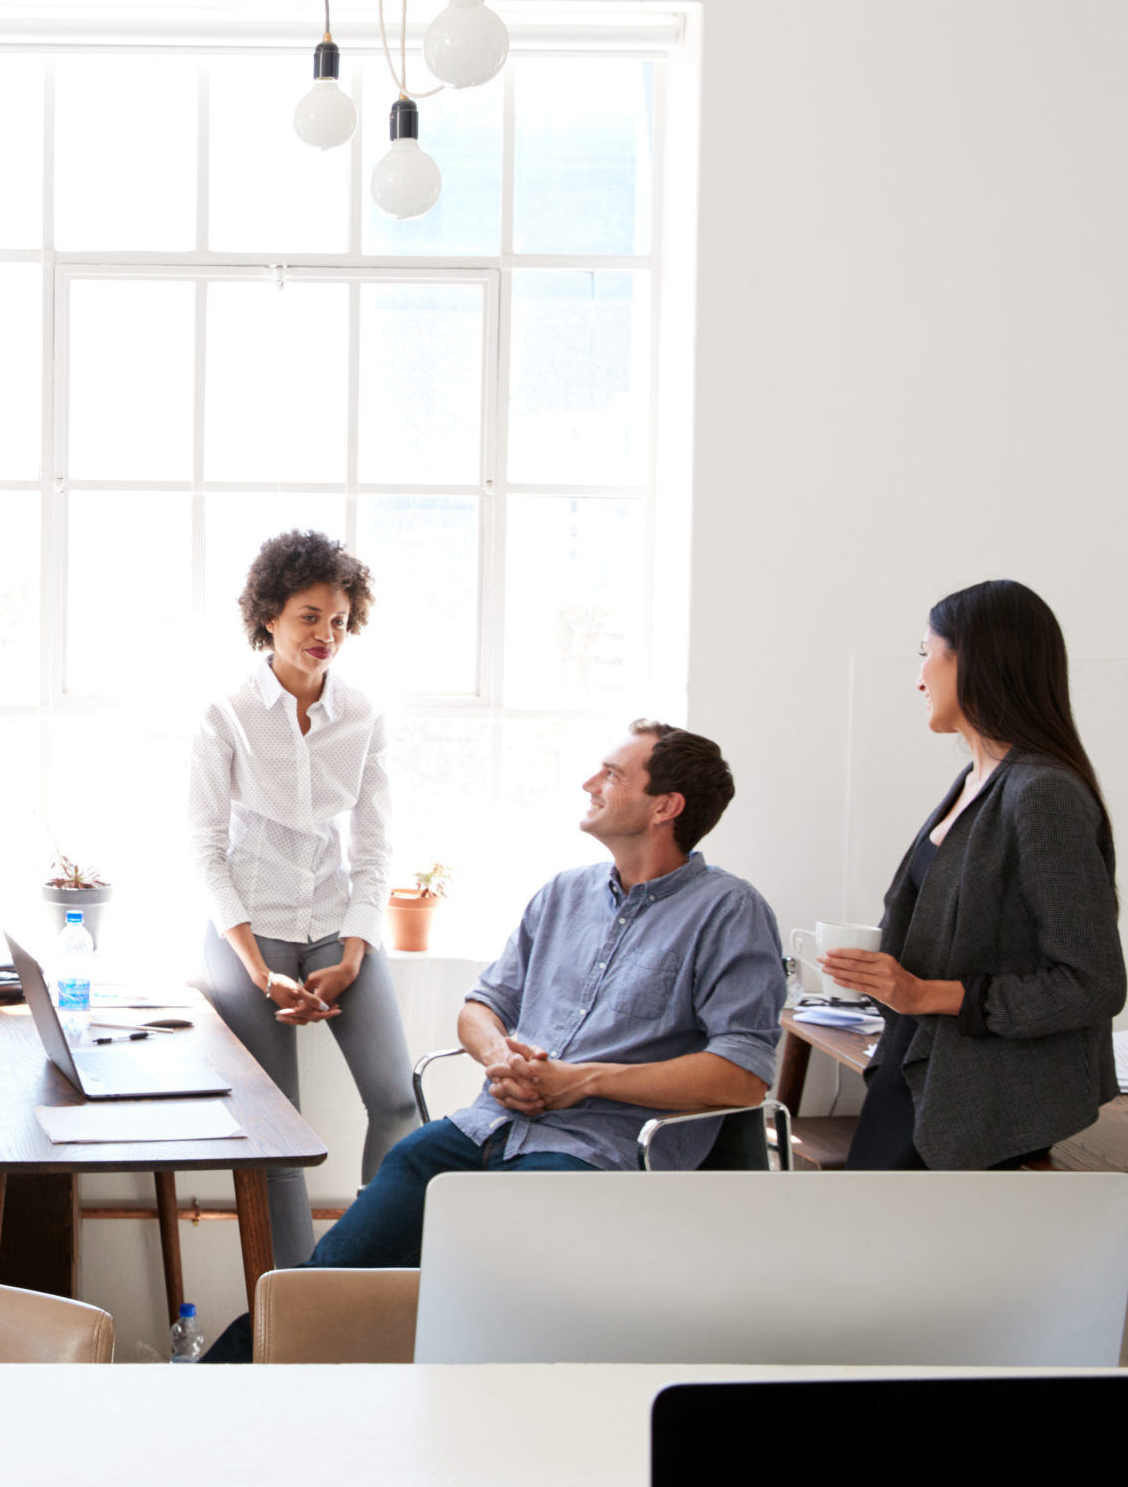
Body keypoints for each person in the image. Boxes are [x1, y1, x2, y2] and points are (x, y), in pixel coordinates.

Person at [203, 720, 785, 1362]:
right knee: (323, 1284)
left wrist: (582, 1081)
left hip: (598, 1156)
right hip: (485, 1128)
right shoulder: (563, 894)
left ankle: (433, 1410)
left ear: (665, 807)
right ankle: (210, 1396)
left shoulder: (730, 911)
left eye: (613, 775)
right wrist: (500, 1056)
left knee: (466, 1298)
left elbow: (741, 1076)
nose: (590, 783)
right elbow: (482, 1007)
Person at [835, 581, 1124, 1171]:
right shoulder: (974, 781)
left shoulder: (1042, 794)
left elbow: (1093, 984)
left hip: (980, 1104)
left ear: (975, 661)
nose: (919, 678)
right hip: (920, 1071)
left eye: (927, 653)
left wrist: (923, 995)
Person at [188, 529, 415, 1267]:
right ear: (270, 617)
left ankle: (370, 1274)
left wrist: (352, 953)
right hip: (248, 934)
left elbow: (375, 847)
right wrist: (257, 968)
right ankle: (296, 1296)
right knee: (276, 1133)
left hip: (337, 925)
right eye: (310, 616)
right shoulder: (226, 716)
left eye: (341, 620)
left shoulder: (364, 716)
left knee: (397, 1104)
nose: (327, 635)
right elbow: (206, 850)